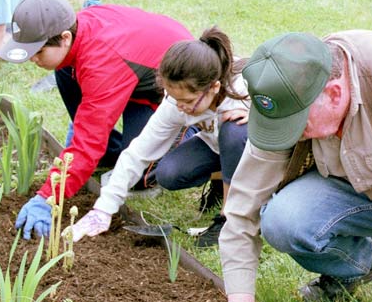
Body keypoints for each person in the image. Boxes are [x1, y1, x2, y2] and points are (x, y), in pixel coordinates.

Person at [218, 31, 372, 302]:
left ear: (334, 94)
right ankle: (361, 263)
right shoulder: (284, 99)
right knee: (283, 220)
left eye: (296, 123)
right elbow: (240, 217)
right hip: (371, 196)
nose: (287, 133)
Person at [0, 0, 194, 240]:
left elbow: (87, 144)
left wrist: (47, 197)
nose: (33, 60)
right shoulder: (75, 29)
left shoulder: (101, 64)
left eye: (38, 52)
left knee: (140, 176)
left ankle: (193, 135)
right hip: (136, 72)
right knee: (64, 70)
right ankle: (112, 151)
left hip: (170, 88)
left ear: (65, 37)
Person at [68, 26, 250, 247]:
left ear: (214, 87)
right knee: (168, 174)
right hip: (217, 146)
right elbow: (138, 152)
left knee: (233, 131)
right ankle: (224, 183)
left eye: (188, 102)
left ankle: (230, 220)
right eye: (176, 99)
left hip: (258, 152)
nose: (180, 107)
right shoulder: (177, 103)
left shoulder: (246, 87)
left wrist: (257, 116)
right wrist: (104, 209)